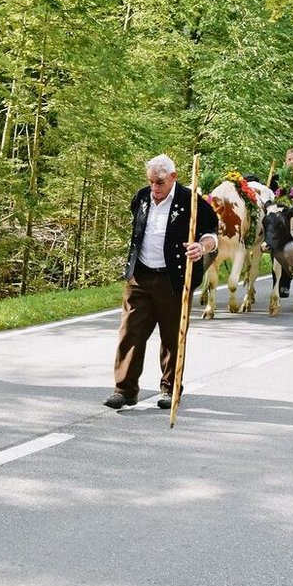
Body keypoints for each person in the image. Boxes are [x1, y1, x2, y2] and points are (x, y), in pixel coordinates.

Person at [105, 154, 219, 410]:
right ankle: (124, 390)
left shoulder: (191, 202)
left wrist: (201, 247)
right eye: (151, 182)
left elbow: (212, 234)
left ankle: (170, 389)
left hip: (174, 279)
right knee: (130, 333)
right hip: (140, 276)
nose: (155, 188)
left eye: (160, 182)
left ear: (174, 177)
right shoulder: (142, 197)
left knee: (171, 337)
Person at [268, 147, 293, 297]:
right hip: (279, 221)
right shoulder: (276, 179)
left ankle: (285, 283)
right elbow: (270, 198)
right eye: (289, 159)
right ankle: (276, 284)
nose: (292, 162)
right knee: (275, 251)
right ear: (285, 161)